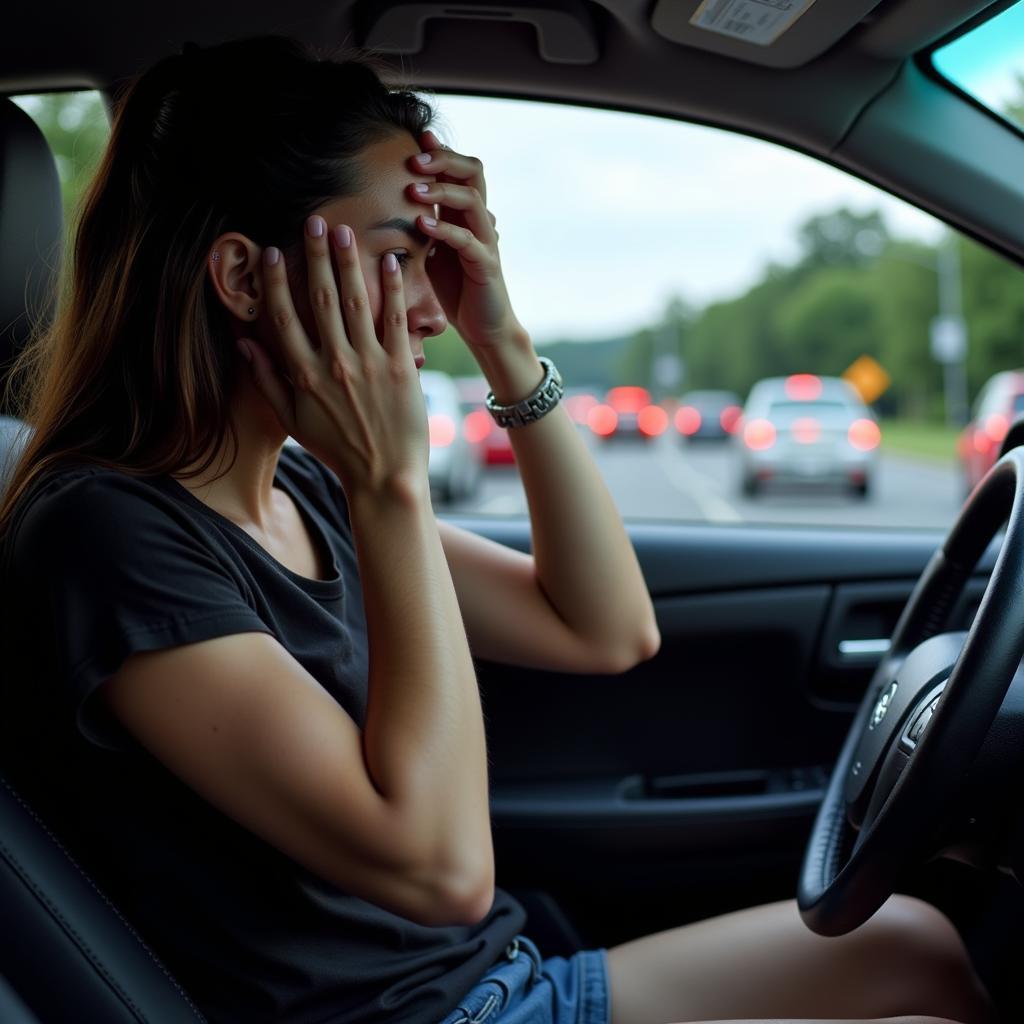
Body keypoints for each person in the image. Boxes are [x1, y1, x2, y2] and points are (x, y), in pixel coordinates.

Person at [0, 34, 994, 1024]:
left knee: (921, 943)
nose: (431, 308)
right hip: (417, 1015)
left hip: (496, 980)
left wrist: (504, 339)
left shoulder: (297, 491)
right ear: (241, 277)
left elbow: (605, 626)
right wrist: (388, 484)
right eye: (399, 256)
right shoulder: (110, 539)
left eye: (441, 259)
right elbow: (441, 872)